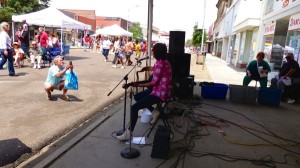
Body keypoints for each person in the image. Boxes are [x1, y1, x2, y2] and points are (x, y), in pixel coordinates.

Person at [117, 43, 172, 141]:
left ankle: (129, 133)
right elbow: (154, 73)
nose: (152, 52)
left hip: (160, 94)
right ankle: (154, 111)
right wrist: (133, 82)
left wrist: (137, 85)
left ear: (157, 52)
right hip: (160, 91)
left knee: (134, 108)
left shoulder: (160, 64)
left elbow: (152, 83)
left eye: (153, 50)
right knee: (137, 97)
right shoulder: (164, 62)